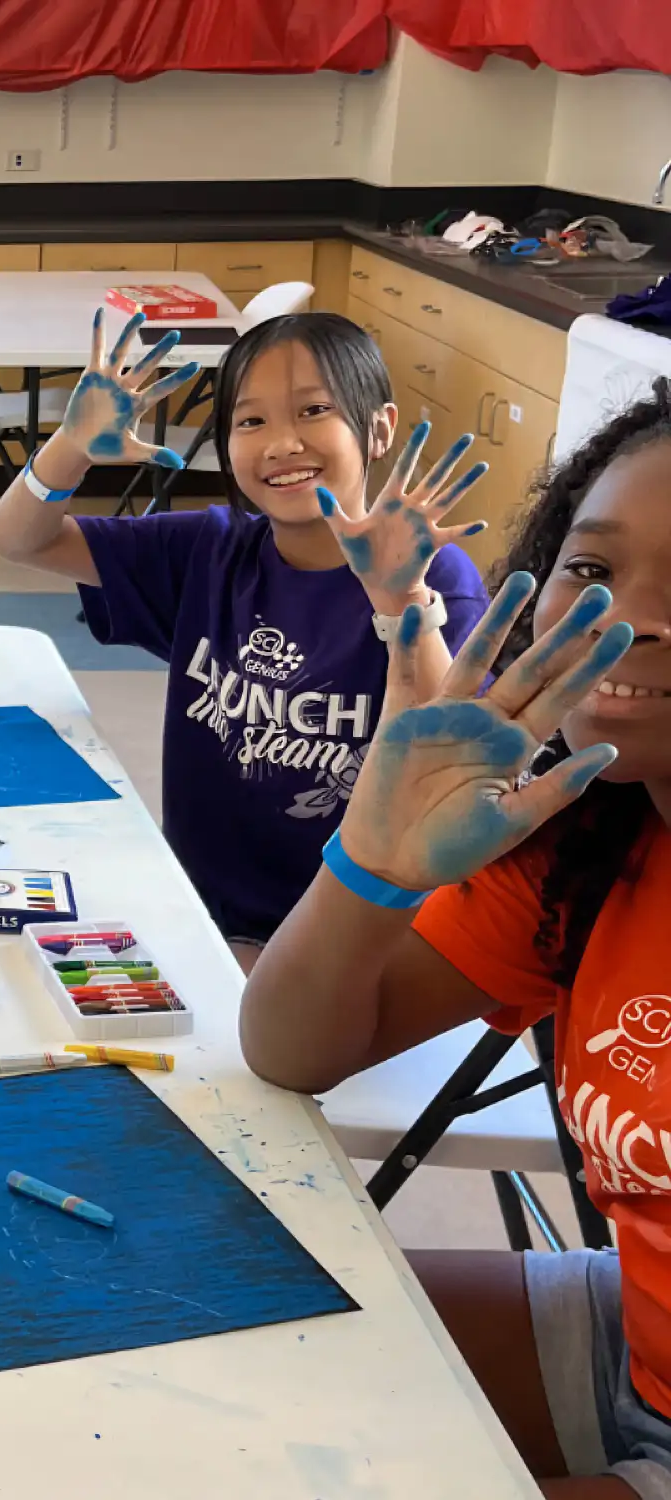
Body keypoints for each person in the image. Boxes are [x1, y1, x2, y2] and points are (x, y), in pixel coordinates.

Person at [240, 380, 671, 1497]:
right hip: (634, 1339)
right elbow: (293, 1049)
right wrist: (370, 865)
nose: (623, 620)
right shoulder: (587, 848)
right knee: (225, 1345)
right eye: (590, 569)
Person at [0, 309, 491, 968]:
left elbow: (438, 769)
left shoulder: (433, 578)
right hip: (195, 913)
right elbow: (17, 539)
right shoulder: (212, 549)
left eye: (313, 411)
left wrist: (400, 603)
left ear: (379, 428)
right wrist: (71, 445)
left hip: (351, 940)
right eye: (251, 422)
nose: (281, 443)